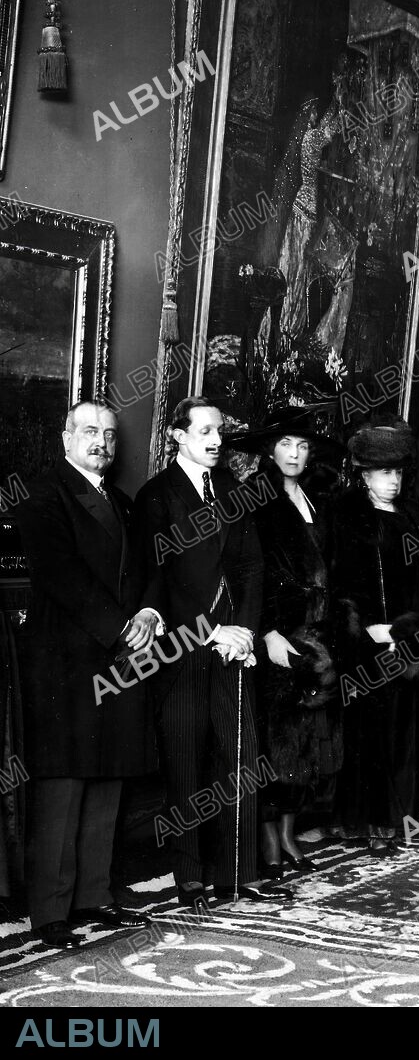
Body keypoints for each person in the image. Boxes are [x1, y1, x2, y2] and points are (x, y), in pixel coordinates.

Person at [135, 397, 291, 906]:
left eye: (219, 430)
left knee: (238, 757)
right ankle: (190, 879)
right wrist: (210, 632)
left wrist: (243, 631)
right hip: (184, 648)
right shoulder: (155, 495)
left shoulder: (233, 491)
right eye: (204, 430)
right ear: (178, 435)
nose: (216, 439)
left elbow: (251, 568)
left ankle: (238, 874)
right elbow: (156, 583)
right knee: (186, 762)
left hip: (233, 649)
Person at [15, 401, 158, 947]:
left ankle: (94, 898)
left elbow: (148, 569)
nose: (101, 441)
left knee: (107, 779)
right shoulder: (43, 495)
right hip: (67, 664)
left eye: (109, 434)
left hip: (122, 658)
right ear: (66, 436)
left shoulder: (121, 503)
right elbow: (61, 574)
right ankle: (51, 912)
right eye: (90, 431)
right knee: (64, 783)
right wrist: (121, 627)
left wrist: (148, 613)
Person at [330, 416, 419, 855]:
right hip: (375, 643)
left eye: (398, 472)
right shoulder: (349, 516)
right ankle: (379, 820)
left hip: (417, 643)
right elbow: (341, 584)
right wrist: (368, 629)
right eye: (383, 473)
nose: (393, 481)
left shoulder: (415, 514)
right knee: (380, 733)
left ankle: (418, 815)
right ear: (365, 475)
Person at [226, 407, 344, 878]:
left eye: (302, 446)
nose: (294, 454)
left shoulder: (316, 496)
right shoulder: (256, 496)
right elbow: (251, 571)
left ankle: (291, 835)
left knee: (310, 744)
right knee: (278, 744)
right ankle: (270, 843)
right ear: (270, 450)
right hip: (280, 636)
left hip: (317, 637)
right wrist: (268, 632)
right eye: (286, 445)